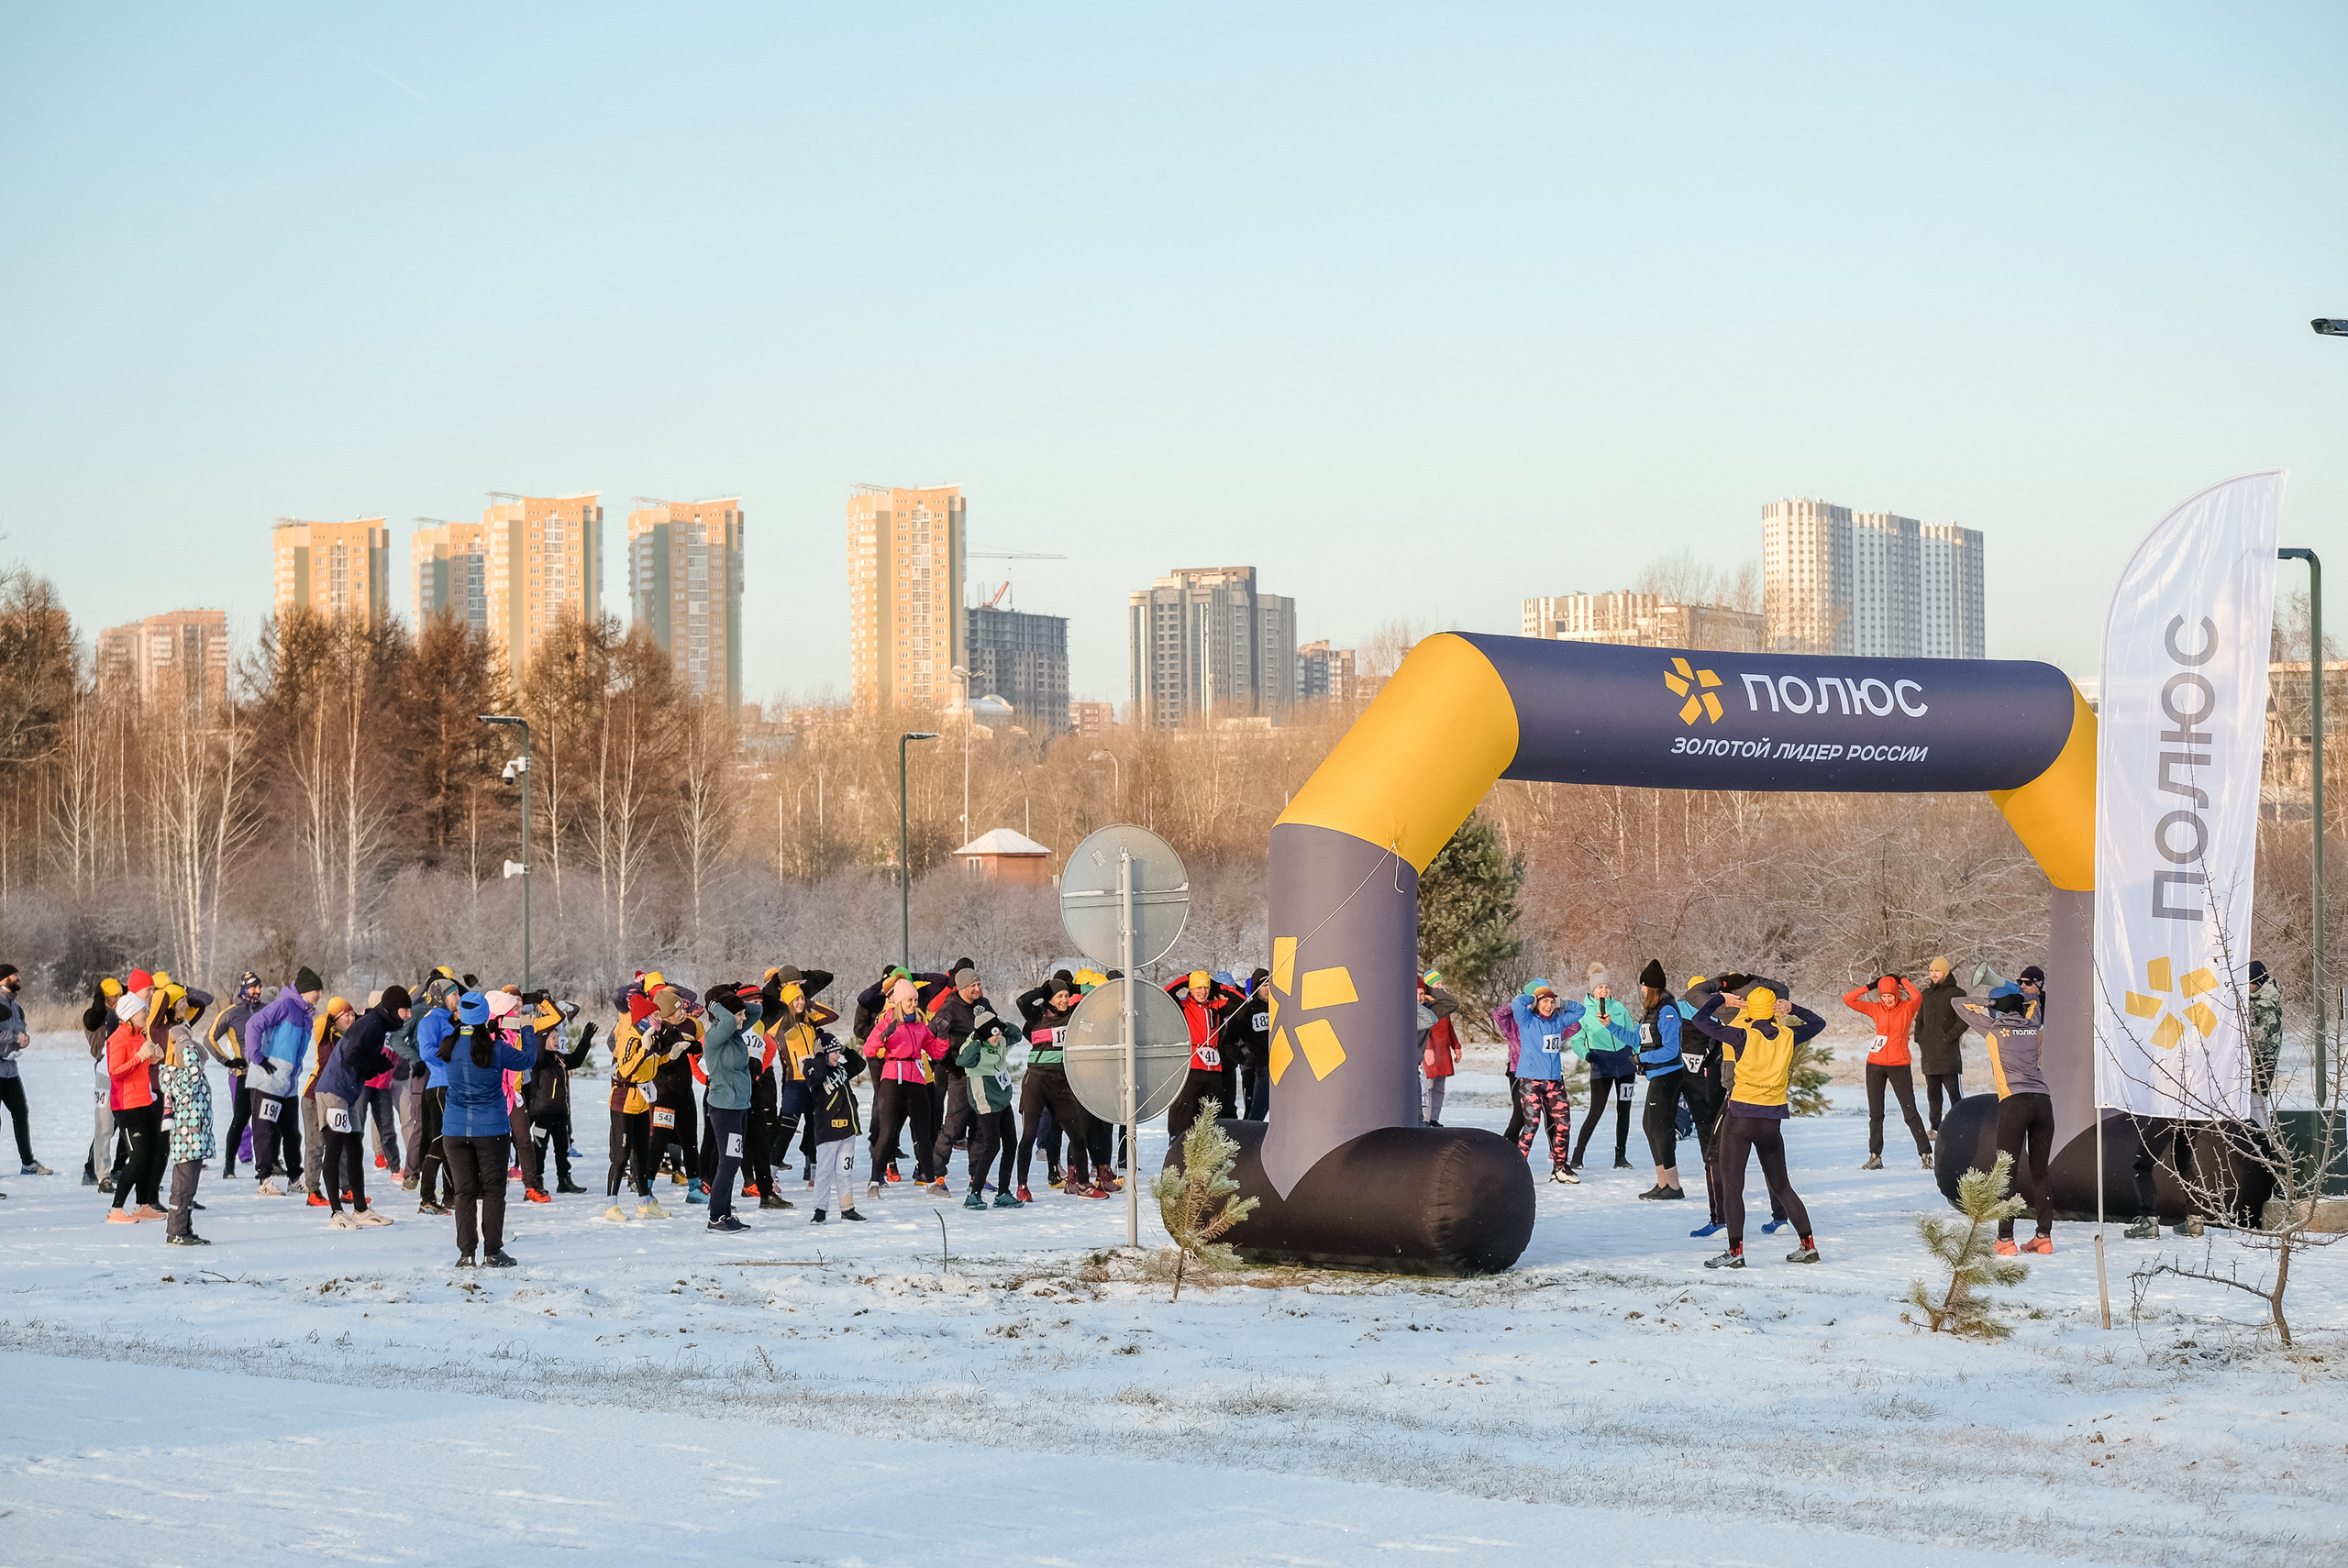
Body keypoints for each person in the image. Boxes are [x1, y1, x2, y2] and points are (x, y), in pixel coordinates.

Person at [1685, 984, 1826, 1267]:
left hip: (1741, 1117)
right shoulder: (1788, 1036)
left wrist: (1720, 999)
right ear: (1774, 1010)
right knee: (1782, 1186)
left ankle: (1735, 1252)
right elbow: (1818, 1023)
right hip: (1771, 1121)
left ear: (1751, 1010)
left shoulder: (1742, 1035)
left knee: (1733, 1187)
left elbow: (1699, 1020)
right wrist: (1792, 1009)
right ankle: (1808, 1246)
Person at [1954, 988, 2054, 1256]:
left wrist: (1990, 1003)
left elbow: (1958, 1003)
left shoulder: (1993, 1028)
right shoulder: (2032, 1024)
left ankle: (2005, 1239)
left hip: (2014, 1102)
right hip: (2043, 1101)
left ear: (1998, 1007)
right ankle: (2044, 1237)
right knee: (2040, 1172)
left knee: (2005, 1172)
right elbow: (2035, 1000)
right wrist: (2019, 999)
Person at [437, 990, 535, 1265]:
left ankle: (466, 1254)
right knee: (493, 1191)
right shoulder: (495, 1049)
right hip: (492, 1129)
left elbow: (464, 1045)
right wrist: (527, 1030)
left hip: (455, 1129)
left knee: (464, 1193)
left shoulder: (448, 1046)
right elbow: (527, 1059)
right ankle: (493, 1252)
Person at [314, 989, 407, 1229]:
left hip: (348, 1093)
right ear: (392, 1009)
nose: (407, 1015)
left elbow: (358, 1058)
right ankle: (336, 1212)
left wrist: (377, 1065)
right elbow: (353, 1055)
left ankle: (360, 1210)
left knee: (355, 1149)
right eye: (404, 1010)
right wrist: (376, 1064)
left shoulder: (377, 1025)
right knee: (334, 1149)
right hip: (334, 1091)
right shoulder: (371, 1024)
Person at [1013, 973, 1098, 1200]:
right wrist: (1044, 990)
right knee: (1029, 1136)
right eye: (1059, 996)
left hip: (1060, 1082)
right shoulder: (1037, 1015)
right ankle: (1022, 1187)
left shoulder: (1073, 1014)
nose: (1064, 1000)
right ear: (1050, 998)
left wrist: (1072, 987)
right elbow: (1022, 1001)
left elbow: (1096, 993)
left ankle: (1083, 1185)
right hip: (1036, 1081)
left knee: (1077, 1136)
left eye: (1067, 996)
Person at [866, 977, 947, 1197]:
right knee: (887, 1132)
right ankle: (874, 1182)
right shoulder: (887, 1022)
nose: (914, 1004)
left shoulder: (920, 1025)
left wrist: (943, 1037)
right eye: (909, 1000)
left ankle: (931, 1183)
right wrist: (883, 1035)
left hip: (916, 1080)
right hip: (892, 1079)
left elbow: (936, 1052)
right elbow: (869, 1050)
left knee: (924, 1134)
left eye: (915, 1000)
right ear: (899, 1002)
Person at [1844, 973, 1931, 1171]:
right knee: (1876, 1114)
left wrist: (1902, 981)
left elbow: (1917, 996)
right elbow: (1848, 999)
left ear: (1897, 994)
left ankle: (1926, 1154)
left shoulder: (1907, 1008)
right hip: (1874, 1065)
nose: (1887, 999)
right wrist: (1870, 986)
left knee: (1910, 1112)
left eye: (1890, 995)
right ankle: (1875, 1157)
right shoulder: (1876, 1009)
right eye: (1883, 995)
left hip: (1899, 1064)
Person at [1633, 959, 1702, 1202]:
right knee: (1649, 1126)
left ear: (1651, 987)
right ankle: (1663, 1182)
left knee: (1660, 1129)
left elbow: (1671, 1050)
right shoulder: (1652, 1011)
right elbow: (1635, 1037)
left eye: (1643, 986)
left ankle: (1673, 1185)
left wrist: (1642, 1057)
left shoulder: (1667, 1011)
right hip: (1657, 1075)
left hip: (1668, 1076)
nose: (1641, 990)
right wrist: (1610, 1026)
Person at [1508, 982, 1591, 1184]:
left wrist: (1563, 1002)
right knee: (1532, 1124)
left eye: (1552, 1002)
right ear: (1537, 1004)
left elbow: (1581, 1011)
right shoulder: (1527, 1020)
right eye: (1544, 1002)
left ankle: (1559, 1169)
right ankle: (1518, 1170)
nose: (1549, 1005)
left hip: (1554, 1081)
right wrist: (1533, 998)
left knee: (1563, 1124)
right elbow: (1517, 1004)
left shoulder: (1557, 1022)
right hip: (1531, 1080)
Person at [156, 984, 217, 1245]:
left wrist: (185, 991)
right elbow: (190, 1073)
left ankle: (184, 1228)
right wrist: (188, 1046)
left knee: (189, 1184)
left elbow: (203, 1002)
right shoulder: (176, 1038)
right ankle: (177, 1231)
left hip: (194, 1132)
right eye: (180, 1000)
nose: (186, 1003)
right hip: (187, 1134)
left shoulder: (182, 1029)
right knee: (183, 1185)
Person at [105, 982, 170, 1223]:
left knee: (150, 1153)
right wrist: (140, 1057)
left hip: (145, 1101)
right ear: (131, 1014)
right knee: (139, 1156)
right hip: (126, 1106)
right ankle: (116, 1209)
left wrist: (152, 1059)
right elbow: (115, 1072)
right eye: (143, 1011)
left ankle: (142, 1205)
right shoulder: (118, 1038)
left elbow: (140, 1068)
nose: (147, 1014)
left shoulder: (140, 1035)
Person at [604, 982, 668, 1221]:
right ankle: (611, 1205)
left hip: (641, 1101)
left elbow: (652, 1064)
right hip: (623, 1102)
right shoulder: (631, 1039)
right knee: (621, 1155)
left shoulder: (649, 1037)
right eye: (655, 1016)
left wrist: (670, 1054)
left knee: (642, 1153)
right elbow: (624, 1071)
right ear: (643, 1019)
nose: (659, 1020)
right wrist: (644, 1050)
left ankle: (644, 1202)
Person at [700, 979, 757, 1233]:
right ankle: (716, 1217)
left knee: (733, 1160)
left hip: (739, 1106)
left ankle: (725, 1213)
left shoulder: (733, 1034)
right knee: (729, 1161)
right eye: (739, 1014)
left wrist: (733, 999)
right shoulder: (715, 1036)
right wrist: (713, 1003)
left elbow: (758, 1011)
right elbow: (730, 1020)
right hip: (724, 1108)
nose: (744, 1018)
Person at [927, 966, 991, 1190]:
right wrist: (947, 1059)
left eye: (978, 984)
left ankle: (977, 1177)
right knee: (953, 1126)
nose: (977, 988)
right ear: (962, 987)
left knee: (979, 1126)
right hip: (959, 1074)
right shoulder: (949, 1008)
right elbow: (930, 1036)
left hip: (981, 1073)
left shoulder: (983, 1005)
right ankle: (936, 1175)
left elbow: (995, 1028)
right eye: (973, 985)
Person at [1568, 966, 1638, 1172]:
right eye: (1600, 987)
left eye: (1607, 987)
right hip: (1601, 1063)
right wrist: (1587, 1055)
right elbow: (1577, 1040)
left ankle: (1621, 1157)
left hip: (1625, 1063)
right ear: (1592, 990)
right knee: (1596, 1111)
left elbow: (1632, 1033)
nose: (1604, 991)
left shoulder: (1619, 1008)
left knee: (1624, 1110)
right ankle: (1577, 1156)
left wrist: (1638, 1055)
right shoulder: (1584, 1012)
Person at [1164, 969, 1245, 1147]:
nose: (1203, 992)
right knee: (1187, 1111)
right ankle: (1180, 1145)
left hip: (1213, 1069)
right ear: (1190, 989)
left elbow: (1241, 1001)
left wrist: (1218, 987)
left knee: (1214, 1112)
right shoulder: (1183, 1006)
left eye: (1206, 988)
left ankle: (1211, 1149)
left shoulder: (1215, 1007)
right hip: (1192, 1067)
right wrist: (1186, 979)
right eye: (1198, 988)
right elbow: (1167, 992)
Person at [956, 999, 1024, 1209]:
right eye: (993, 1034)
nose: (998, 1038)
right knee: (992, 1146)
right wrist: (978, 1039)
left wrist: (1000, 1025)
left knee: (1011, 1144)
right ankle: (974, 1194)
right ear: (983, 1035)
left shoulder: (1000, 1040)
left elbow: (1017, 1035)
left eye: (999, 1033)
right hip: (985, 1099)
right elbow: (962, 1061)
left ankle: (1003, 1193)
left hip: (1002, 1099)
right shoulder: (974, 1047)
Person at [803, 1026, 869, 1223]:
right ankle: (820, 1210)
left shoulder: (841, 1069)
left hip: (847, 1129)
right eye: (833, 1052)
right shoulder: (811, 1067)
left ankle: (847, 1209)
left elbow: (860, 1064)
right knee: (824, 1172)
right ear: (823, 1053)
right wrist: (819, 1055)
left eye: (838, 1052)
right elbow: (817, 1076)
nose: (838, 1056)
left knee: (845, 1172)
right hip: (827, 1131)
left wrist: (845, 1049)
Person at [205, 972, 264, 1181]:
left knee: (268, 1120)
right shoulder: (232, 1013)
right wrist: (227, 1061)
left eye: (259, 987)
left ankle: (270, 1163)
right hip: (244, 1075)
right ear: (244, 989)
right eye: (253, 987)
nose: (257, 991)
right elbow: (209, 1039)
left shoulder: (267, 1009)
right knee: (240, 1119)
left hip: (266, 1075)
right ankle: (229, 1165)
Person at [414, 979, 460, 1214]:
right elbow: (427, 1052)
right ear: (441, 997)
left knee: (452, 1141)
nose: (458, 999)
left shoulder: (449, 1020)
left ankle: (450, 1196)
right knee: (441, 1141)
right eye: (454, 995)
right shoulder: (430, 1020)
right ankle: (427, 1198)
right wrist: (453, 1055)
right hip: (440, 1086)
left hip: (452, 1086)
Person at [1911, 956, 1968, 1140]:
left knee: (1954, 1095)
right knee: (1933, 1095)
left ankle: (1961, 1127)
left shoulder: (1957, 993)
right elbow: (1920, 1018)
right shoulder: (1927, 994)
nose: (1933, 974)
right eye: (1931, 971)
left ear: (1945, 972)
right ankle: (1935, 1128)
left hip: (1948, 1055)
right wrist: (1919, 1037)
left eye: (1937, 971)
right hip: (1929, 1054)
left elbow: (1964, 1020)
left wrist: (1949, 1037)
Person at [0, 963, 45, 1176]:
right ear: (3, 979)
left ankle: (28, 1163)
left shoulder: (16, 1007)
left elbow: (21, 1030)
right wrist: (14, 1038)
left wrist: (24, 1039)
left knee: (21, 1112)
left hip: (10, 1069)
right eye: (14, 975)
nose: (19, 978)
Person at [81, 977, 125, 1187]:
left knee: (125, 1122)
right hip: (105, 1073)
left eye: (121, 995)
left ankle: (120, 1168)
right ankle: (95, 1170)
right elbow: (99, 1017)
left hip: (124, 1071)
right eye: (114, 996)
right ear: (104, 998)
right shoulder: (94, 1017)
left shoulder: (123, 1012)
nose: (119, 1000)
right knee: (105, 1124)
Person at [1418, 973, 1460, 1127]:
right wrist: (1428, 1048)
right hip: (1428, 1052)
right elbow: (1425, 1028)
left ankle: (1433, 1119)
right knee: (1427, 1088)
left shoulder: (1435, 1007)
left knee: (1439, 1088)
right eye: (1437, 984)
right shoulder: (1422, 1009)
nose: (1440, 987)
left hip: (1442, 1051)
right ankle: (1425, 1119)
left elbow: (1450, 1025)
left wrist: (1456, 1046)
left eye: (1441, 984)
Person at [1492, 986, 1528, 1147]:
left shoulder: (1541, 1019)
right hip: (1517, 1070)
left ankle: (1557, 1155)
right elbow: (1497, 1014)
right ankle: (1506, 1147)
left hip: (1541, 1072)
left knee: (1551, 1116)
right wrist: (1517, 1003)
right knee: (1520, 1114)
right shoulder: (1512, 1023)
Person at [1236, 967, 1273, 1120]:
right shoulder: (1247, 1011)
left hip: (1274, 1063)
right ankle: (1250, 1129)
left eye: (1270, 984)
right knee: (1255, 1106)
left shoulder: (1276, 1008)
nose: (1268, 989)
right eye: (1263, 985)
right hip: (1253, 1066)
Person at [2248, 960, 2282, 1103]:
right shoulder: (2258, 999)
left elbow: (2259, 1037)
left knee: (2256, 1101)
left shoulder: (2264, 1005)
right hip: (2260, 1059)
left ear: (2257, 983)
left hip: (2261, 1060)